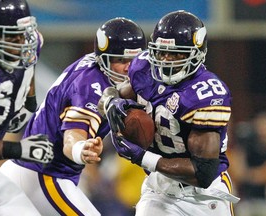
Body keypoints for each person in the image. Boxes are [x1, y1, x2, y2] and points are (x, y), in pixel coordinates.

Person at [0, 17, 147, 215]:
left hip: (32, 172)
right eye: (120, 60)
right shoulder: (91, 87)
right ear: (104, 58)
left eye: (133, 60)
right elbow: (72, 137)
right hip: (44, 175)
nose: (129, 67)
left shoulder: (94, 67)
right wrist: (81, 149)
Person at [98, 10, 240, 216]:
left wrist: (142, 157)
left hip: (204, 196)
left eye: (176, 53)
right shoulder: (144, 68)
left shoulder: (206, 93)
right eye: (161, 52)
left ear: (197, 53)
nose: (166, 60)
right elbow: (111, 93)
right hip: (159, 189)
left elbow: (203, 173)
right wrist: (111, 102)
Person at [0, 0, 54, 215]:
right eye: (11, 37)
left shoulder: (29, 44)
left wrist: (29, 100)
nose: (21, 43)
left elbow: (30, 60)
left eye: (23, 34)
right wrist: (19, 149)